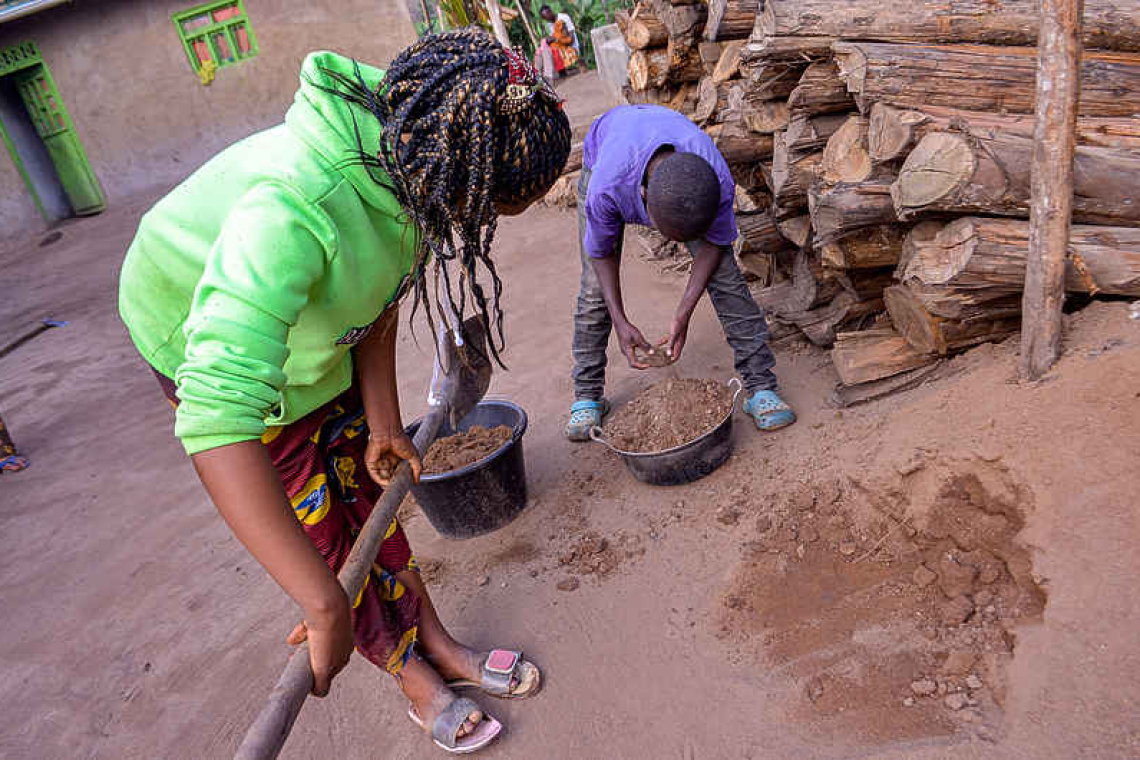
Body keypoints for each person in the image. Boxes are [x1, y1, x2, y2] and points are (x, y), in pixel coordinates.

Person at [118, 30, 570, 754]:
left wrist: (383, 421)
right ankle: (408, 675)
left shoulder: (420, 156)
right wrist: (322, 603)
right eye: (482, 214)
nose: (477, 230)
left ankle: (439, 643)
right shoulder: (295, 208)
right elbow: (214, 418)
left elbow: (379, 290)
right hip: (210, 346)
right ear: (452, 184)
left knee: (373, 498)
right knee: (326, 535)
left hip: (315, 336)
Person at [565, 104, 796, 441]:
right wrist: (620, 321)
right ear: (643, 200)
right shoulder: (606, 188)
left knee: (727, 279)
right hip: (609, 146)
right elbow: (600, 255)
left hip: (672, 158)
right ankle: (587, 393)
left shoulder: (712, 178)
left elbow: (715, 245)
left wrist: (683, 313)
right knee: (593, 291)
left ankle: (762, 387)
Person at [533, 4, 579, 81]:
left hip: (571, 48)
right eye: (544, 18)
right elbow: (556, 38)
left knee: (551, 50)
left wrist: (556, 39)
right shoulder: (550, 23)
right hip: (560, 47)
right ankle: (537, 76)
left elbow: (571, 40)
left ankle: (557, 75)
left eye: (546, 17)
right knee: (541, 51)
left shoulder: (563, 18)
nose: (546, 20)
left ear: (550, 12)